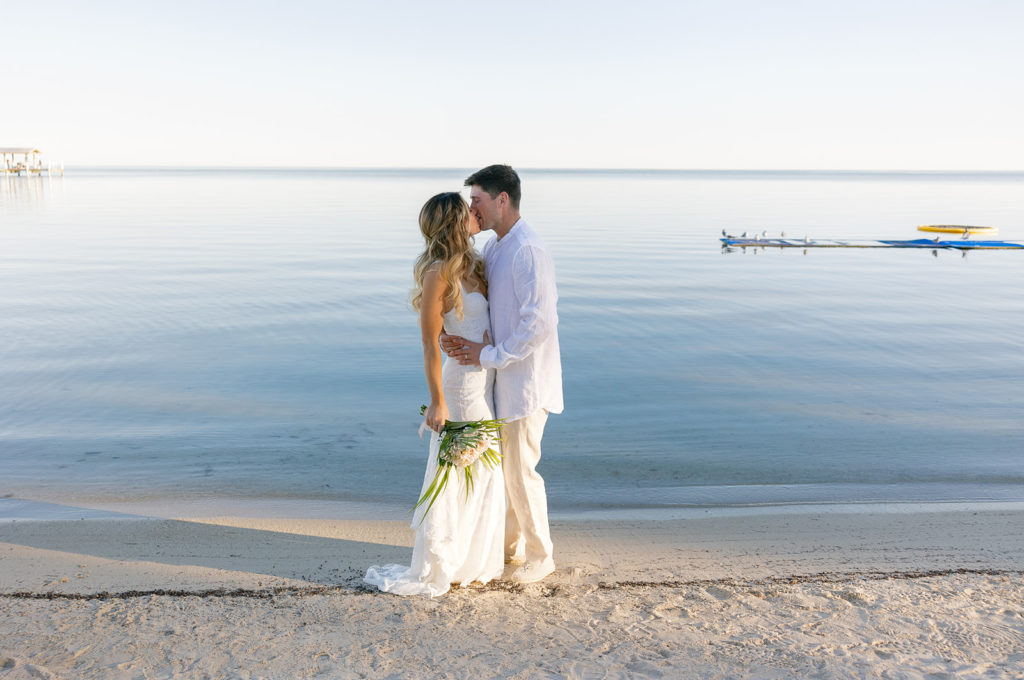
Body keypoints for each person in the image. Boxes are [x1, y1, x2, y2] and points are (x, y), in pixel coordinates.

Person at [364, 192, 505, 596]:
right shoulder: (438, 273)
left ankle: (472, 559)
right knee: (462, 471)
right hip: (461, 387)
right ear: (454, 223)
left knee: (484, 472)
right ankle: (447, 562)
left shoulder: (476, 265)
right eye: (467, 211)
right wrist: (438, 401)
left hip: (487, 382)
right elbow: (429, 343)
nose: (475, 213)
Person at [441, 165, 563, 584]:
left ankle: (540, 555)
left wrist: (490, 353)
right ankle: (507, 550)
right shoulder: (496, 247)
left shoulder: (528, 250)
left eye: (476, 199)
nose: (471, 208)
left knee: (521, 471)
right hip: (498, 382)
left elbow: (540, 322)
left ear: (502, 200)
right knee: (507, 470)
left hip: (526, 382)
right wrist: (449, 332)